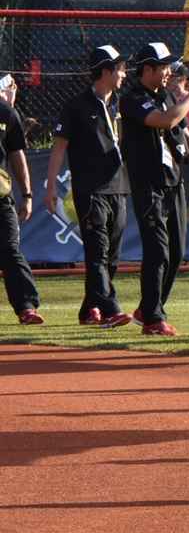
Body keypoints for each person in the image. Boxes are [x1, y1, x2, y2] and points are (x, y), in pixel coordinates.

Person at [120, 42, 189, 336]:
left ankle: (149, 307)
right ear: (147, 69)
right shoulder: (133, 98)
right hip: (148, 183)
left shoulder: (164, 96)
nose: (168, 72)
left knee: (176, 250)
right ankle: (153, 319)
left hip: (173, 181)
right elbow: (165, 120)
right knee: (157, 249)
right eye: (163, 67)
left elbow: (184, 133)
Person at [44, 45, 133, 327]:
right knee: (97, 251)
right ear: (105, 71)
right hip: (89, 190)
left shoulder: (121, 103)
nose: (124, 73)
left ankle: (88, 308)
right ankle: (110, 309)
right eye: (119, 68)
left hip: (119, 187)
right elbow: (59, 149)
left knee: (113, 255)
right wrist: (49, 190)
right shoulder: (76, 106)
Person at [0, 78, 41, 325]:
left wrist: (27, 195)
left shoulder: (6, 112)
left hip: (1, 197)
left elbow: (17, 156)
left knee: (10, 250)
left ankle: (26, 308)